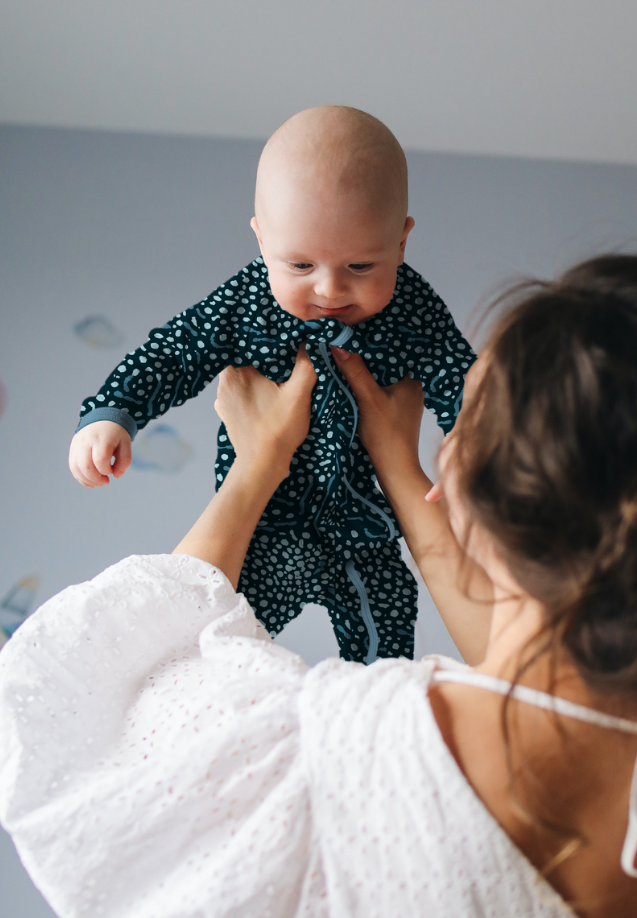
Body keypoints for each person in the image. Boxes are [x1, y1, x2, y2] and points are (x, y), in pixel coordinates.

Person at [2, 253, 637, 918]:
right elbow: (517, 657)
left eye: (463, 419)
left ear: (479, 483)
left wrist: (257, 466)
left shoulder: (347, 751)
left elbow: (116, 676)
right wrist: (400, 468)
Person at [67, 105, 476, 662]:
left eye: (360, 267)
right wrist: (113, 413)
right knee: (208, 638)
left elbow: (460, 373)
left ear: (401, 244)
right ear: (262, 242)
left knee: (388, 639)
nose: (330, 289)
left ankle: (369, 726)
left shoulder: (412, 306)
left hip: (361, 527)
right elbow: (176, 351)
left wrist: (475, 441)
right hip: (265, 524)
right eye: (300, 265)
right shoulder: (248, 301)